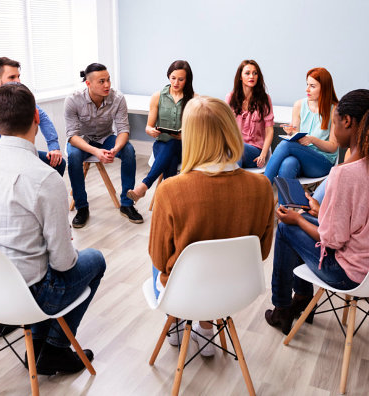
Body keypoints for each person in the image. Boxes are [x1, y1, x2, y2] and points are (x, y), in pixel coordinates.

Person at [0, 82, 106, 375]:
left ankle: (40, 346)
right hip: (27, 296)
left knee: (39, 263)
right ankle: (54, 348)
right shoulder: (44, 178)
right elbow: (63, 263)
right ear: (37, 119)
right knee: (94, 260)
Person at [149, 96, 274, 356]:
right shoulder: (262, 187)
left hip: (185, 290)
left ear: (190, 137)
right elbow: (261, 252)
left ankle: (179, 321)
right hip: (236, 288)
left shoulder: (170, 190)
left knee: (160, 256)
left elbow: (160, 260)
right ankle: (207, 328)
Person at [265, 89, 369, 335]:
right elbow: (354, 222)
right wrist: (320, 209)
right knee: (303, 216)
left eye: (334, 123)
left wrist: (299, 220)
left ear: (347, 122)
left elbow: (331, 240)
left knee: (286, 227)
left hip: (347, 273)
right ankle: (302, 301)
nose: (334, 130)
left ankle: (282, 308)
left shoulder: (344, 174)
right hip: (366, 266)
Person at [65, 63, 142, 228]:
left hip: (106, 138)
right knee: (74, 156)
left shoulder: (118, 98)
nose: (107, 85)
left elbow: (123, 130)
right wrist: (96, 152)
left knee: (128, 150)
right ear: (88, 83)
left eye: (108, 80)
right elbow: (72, 136)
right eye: (101, 81)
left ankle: (127, 204)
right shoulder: (73, 100)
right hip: (82, 140)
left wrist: (116, 149)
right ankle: (82, 208)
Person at [0, 57, 65, 176]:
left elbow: (42, 117)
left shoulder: (16, 97)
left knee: (58, 163)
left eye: (18, 76)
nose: (18, 81)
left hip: (10, 152)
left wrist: (53, 147)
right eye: (12, 77)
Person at [127, 60, 194, 201]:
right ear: (168, 77)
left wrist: (184, 136)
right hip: (162, 144)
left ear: (187, 80)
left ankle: (145, 186)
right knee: (170, 150)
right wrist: (151, 131)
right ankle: (172, 201)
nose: (176, 83)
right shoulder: (158, 96)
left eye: (181, 79)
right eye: (173, 78)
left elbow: (199, 131)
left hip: (185, 147)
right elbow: (148, 127)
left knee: (173, 148)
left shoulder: (194, 99)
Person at [265, 67, 339, 184]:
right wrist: (291, 132)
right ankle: (285, 203)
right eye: (307, 84)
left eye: (312, 86)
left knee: (286, 145)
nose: (307, 89)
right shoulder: (299, 105)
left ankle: (263, 186)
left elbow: (333, 147)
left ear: (324, 88)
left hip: (321, 163)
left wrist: (312, 140)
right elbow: (297, 135)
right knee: (287, 164)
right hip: (302, 158)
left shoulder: (335, 110)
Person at [226, 59, 274, 168]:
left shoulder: (265, 99)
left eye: (255, 73)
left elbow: (269, 131)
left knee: (236, 150)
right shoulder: (230, 98)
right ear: (240, 76)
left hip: (255, 152)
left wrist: (263, 154)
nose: (251, 76)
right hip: (233, 149)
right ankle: (234, 183)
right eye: (247, 73)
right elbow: (225, 127)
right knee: (232, 151)